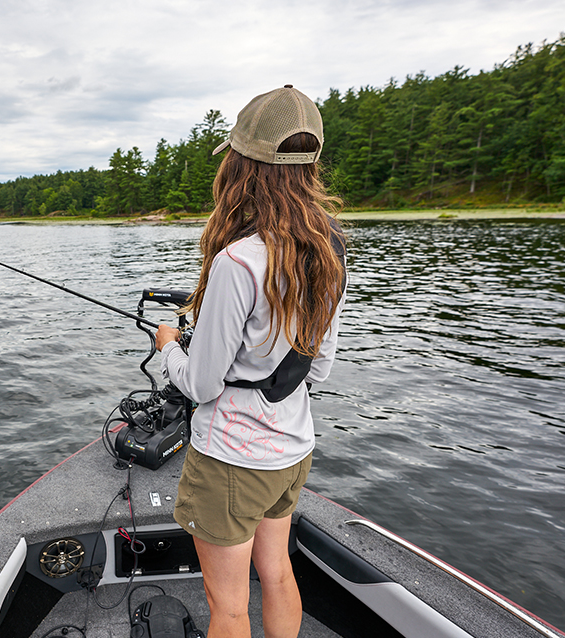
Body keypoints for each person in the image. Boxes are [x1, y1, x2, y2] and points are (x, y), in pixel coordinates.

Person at [154, 85, 347, 638]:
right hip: (292, 451)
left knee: (231, 608)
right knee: (279, 574)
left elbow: (201, 384)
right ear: (309, 165)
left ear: (241, 166)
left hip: (234, 460)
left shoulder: (239, 260)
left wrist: (169, 344)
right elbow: (321, 368)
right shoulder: (330, 246)